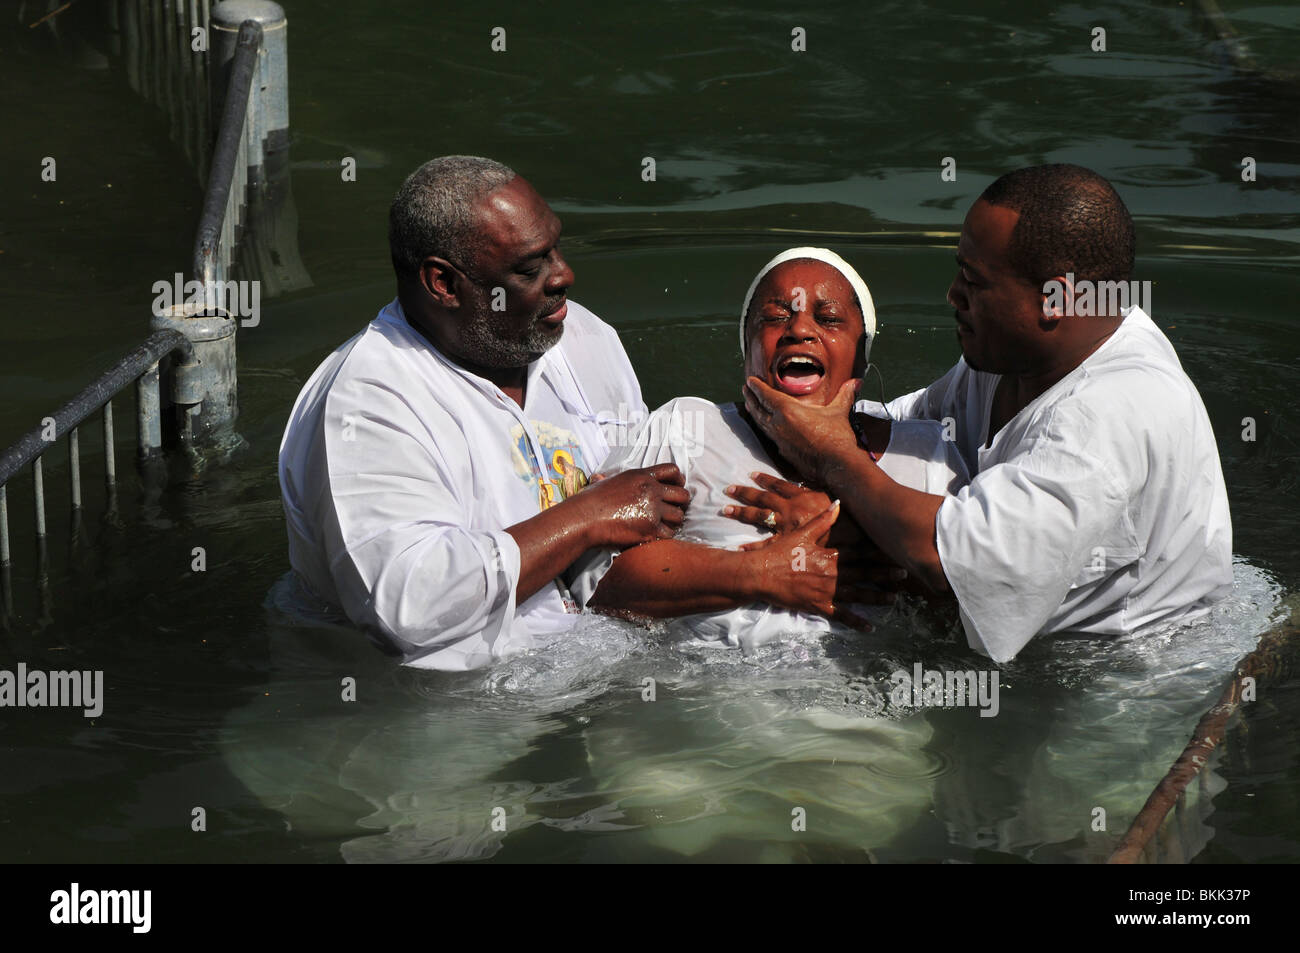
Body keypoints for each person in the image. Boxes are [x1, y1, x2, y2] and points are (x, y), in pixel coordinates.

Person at [742, 165, 1234, 663]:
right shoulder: (1020, 356)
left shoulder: (1107, 419)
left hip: (1137, 682)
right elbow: (901, 423)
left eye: (973, 281)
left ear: (1057, 301)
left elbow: (948, 561)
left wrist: (833, 463)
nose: (953, 295)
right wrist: (786, 429)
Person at [277, 155, 692, 670]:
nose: (564, 275)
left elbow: (647, 497)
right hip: (444, 721)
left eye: (556, 248)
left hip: (604, 663)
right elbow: (408, 610)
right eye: (529, 268)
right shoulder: (366, 402)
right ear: (444, 284)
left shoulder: (581, 337)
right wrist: (588, 517)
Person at [569, 247, 968, 650]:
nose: (799, 330)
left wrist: (854, 534)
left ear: (861, 359)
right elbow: (595, 584)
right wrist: (759, 573)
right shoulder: (686, 429)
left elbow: (971, 606)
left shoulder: (925, 453)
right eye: (776, 318)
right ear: (747, 351)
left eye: (828, 319)